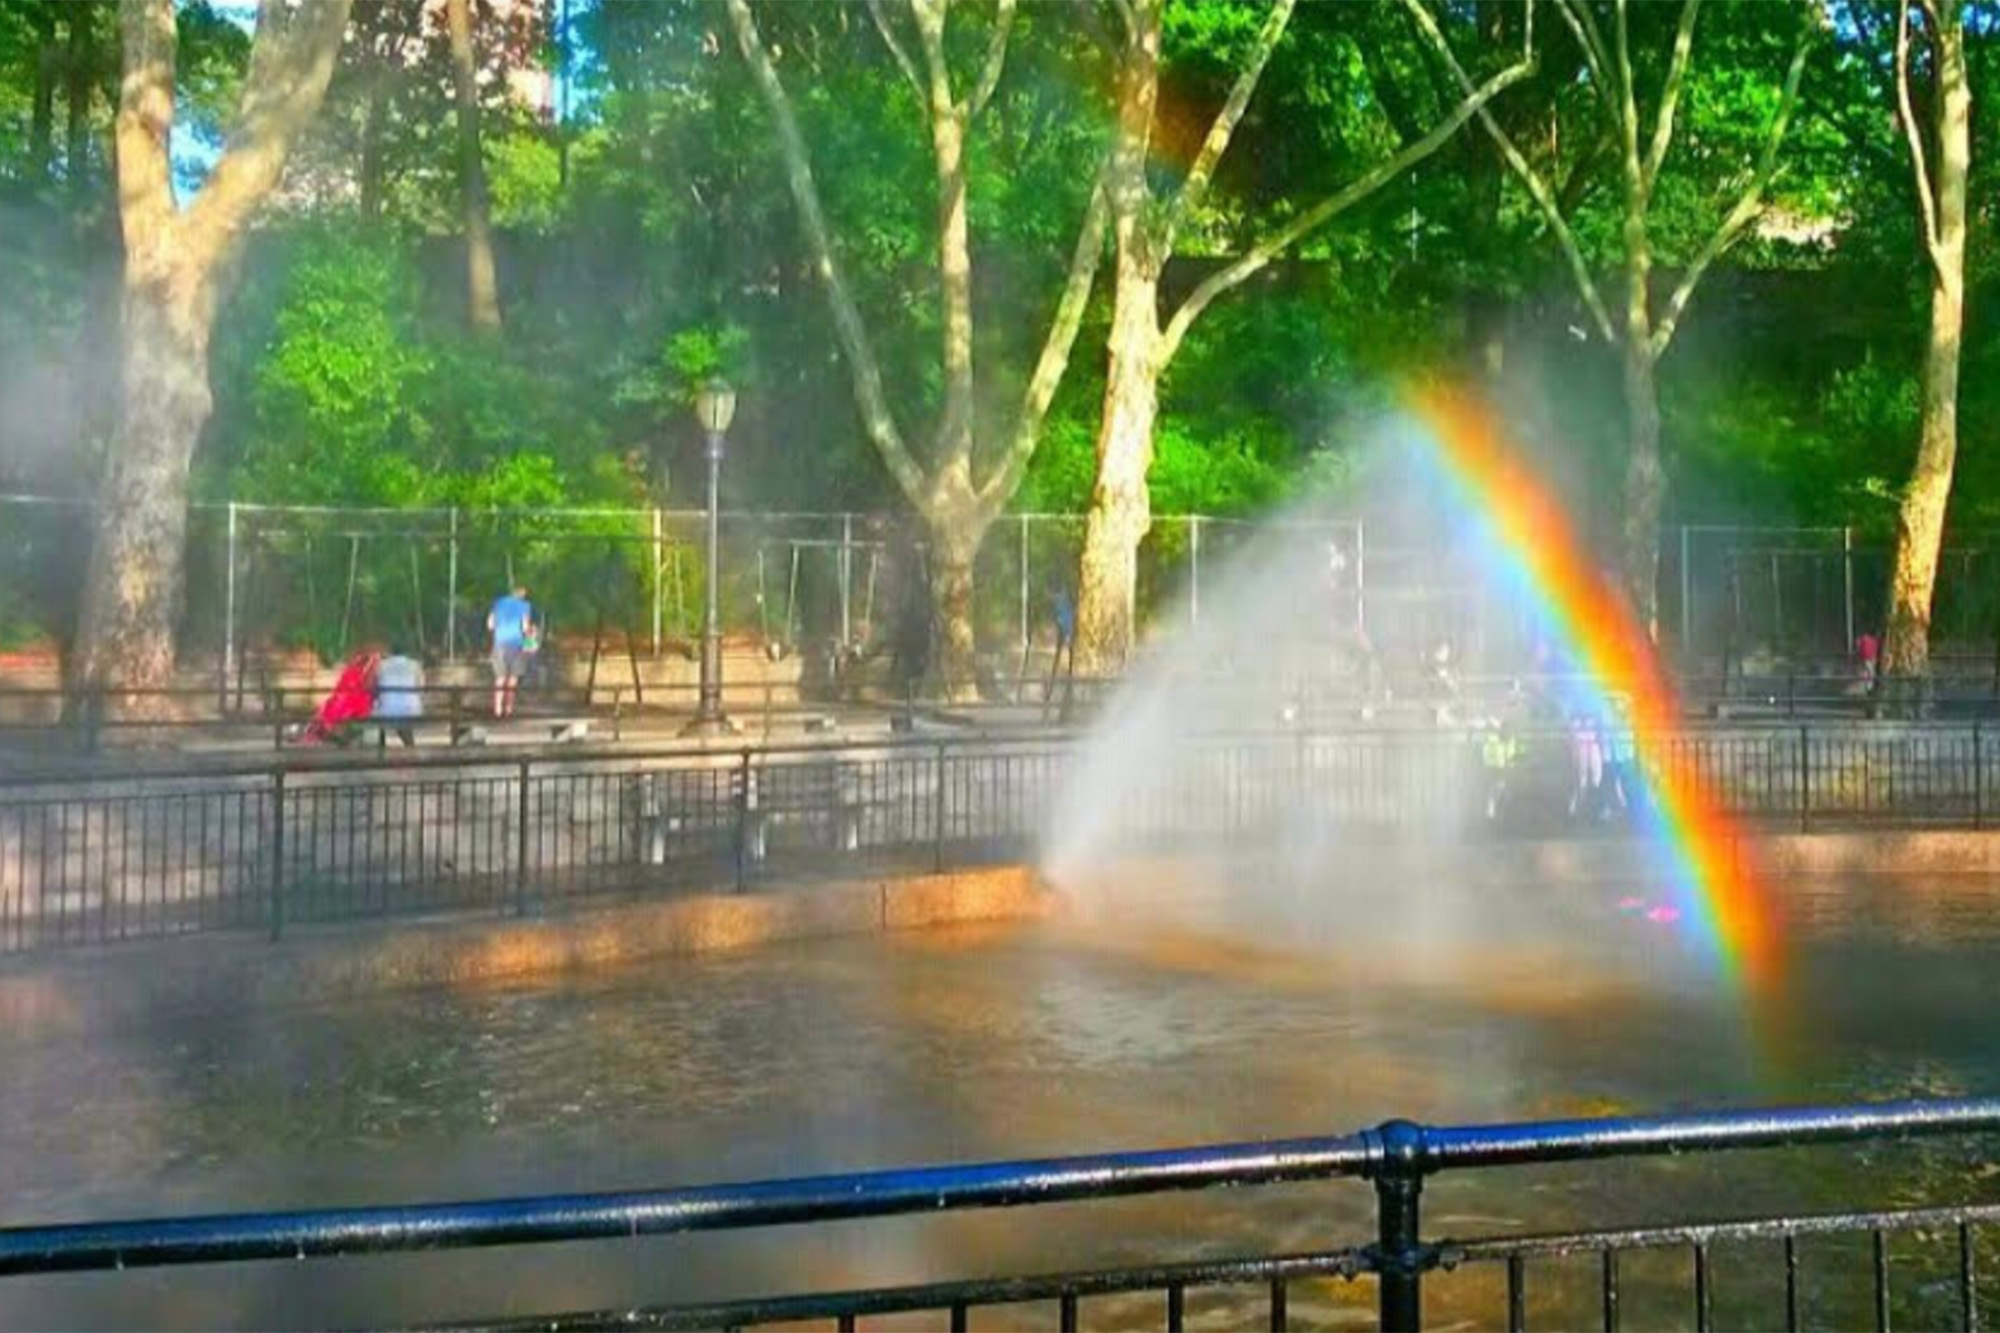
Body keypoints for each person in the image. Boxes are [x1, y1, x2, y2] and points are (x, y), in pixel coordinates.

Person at [488, 584, 536, 719]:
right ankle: (508, 709)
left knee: (500, 678)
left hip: (500, 643)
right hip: (516, 644)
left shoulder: (498, 602)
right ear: (523, 594)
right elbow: (525, 627)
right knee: (513, 679)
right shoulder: (525, 605)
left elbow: (490, 624)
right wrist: (531, 643)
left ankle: (497, 709)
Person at [372, 644, 425, 746]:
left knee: (377, 711)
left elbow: (376, 686)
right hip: (411, 709)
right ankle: (409, 744)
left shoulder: (381, 665)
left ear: (391, 652)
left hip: (387, 710)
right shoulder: (415, 665)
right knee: (403, 713)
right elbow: (421, 688)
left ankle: (381, 745)